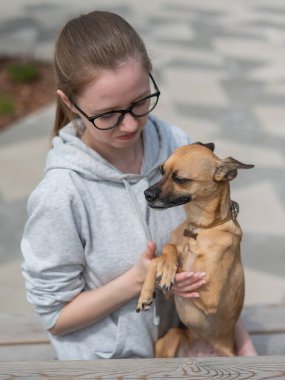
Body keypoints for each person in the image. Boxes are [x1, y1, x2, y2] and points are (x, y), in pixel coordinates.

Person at [21, 10, 257, 360]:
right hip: (108, 363)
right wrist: (135, 280)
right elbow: (56, 318)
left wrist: (244, 342)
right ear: (70, 104)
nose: (131, 125)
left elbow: (219, 261)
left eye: (140, 101)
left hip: (180, 346)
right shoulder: (61, 194)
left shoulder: (175, 144)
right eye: (108, 114)